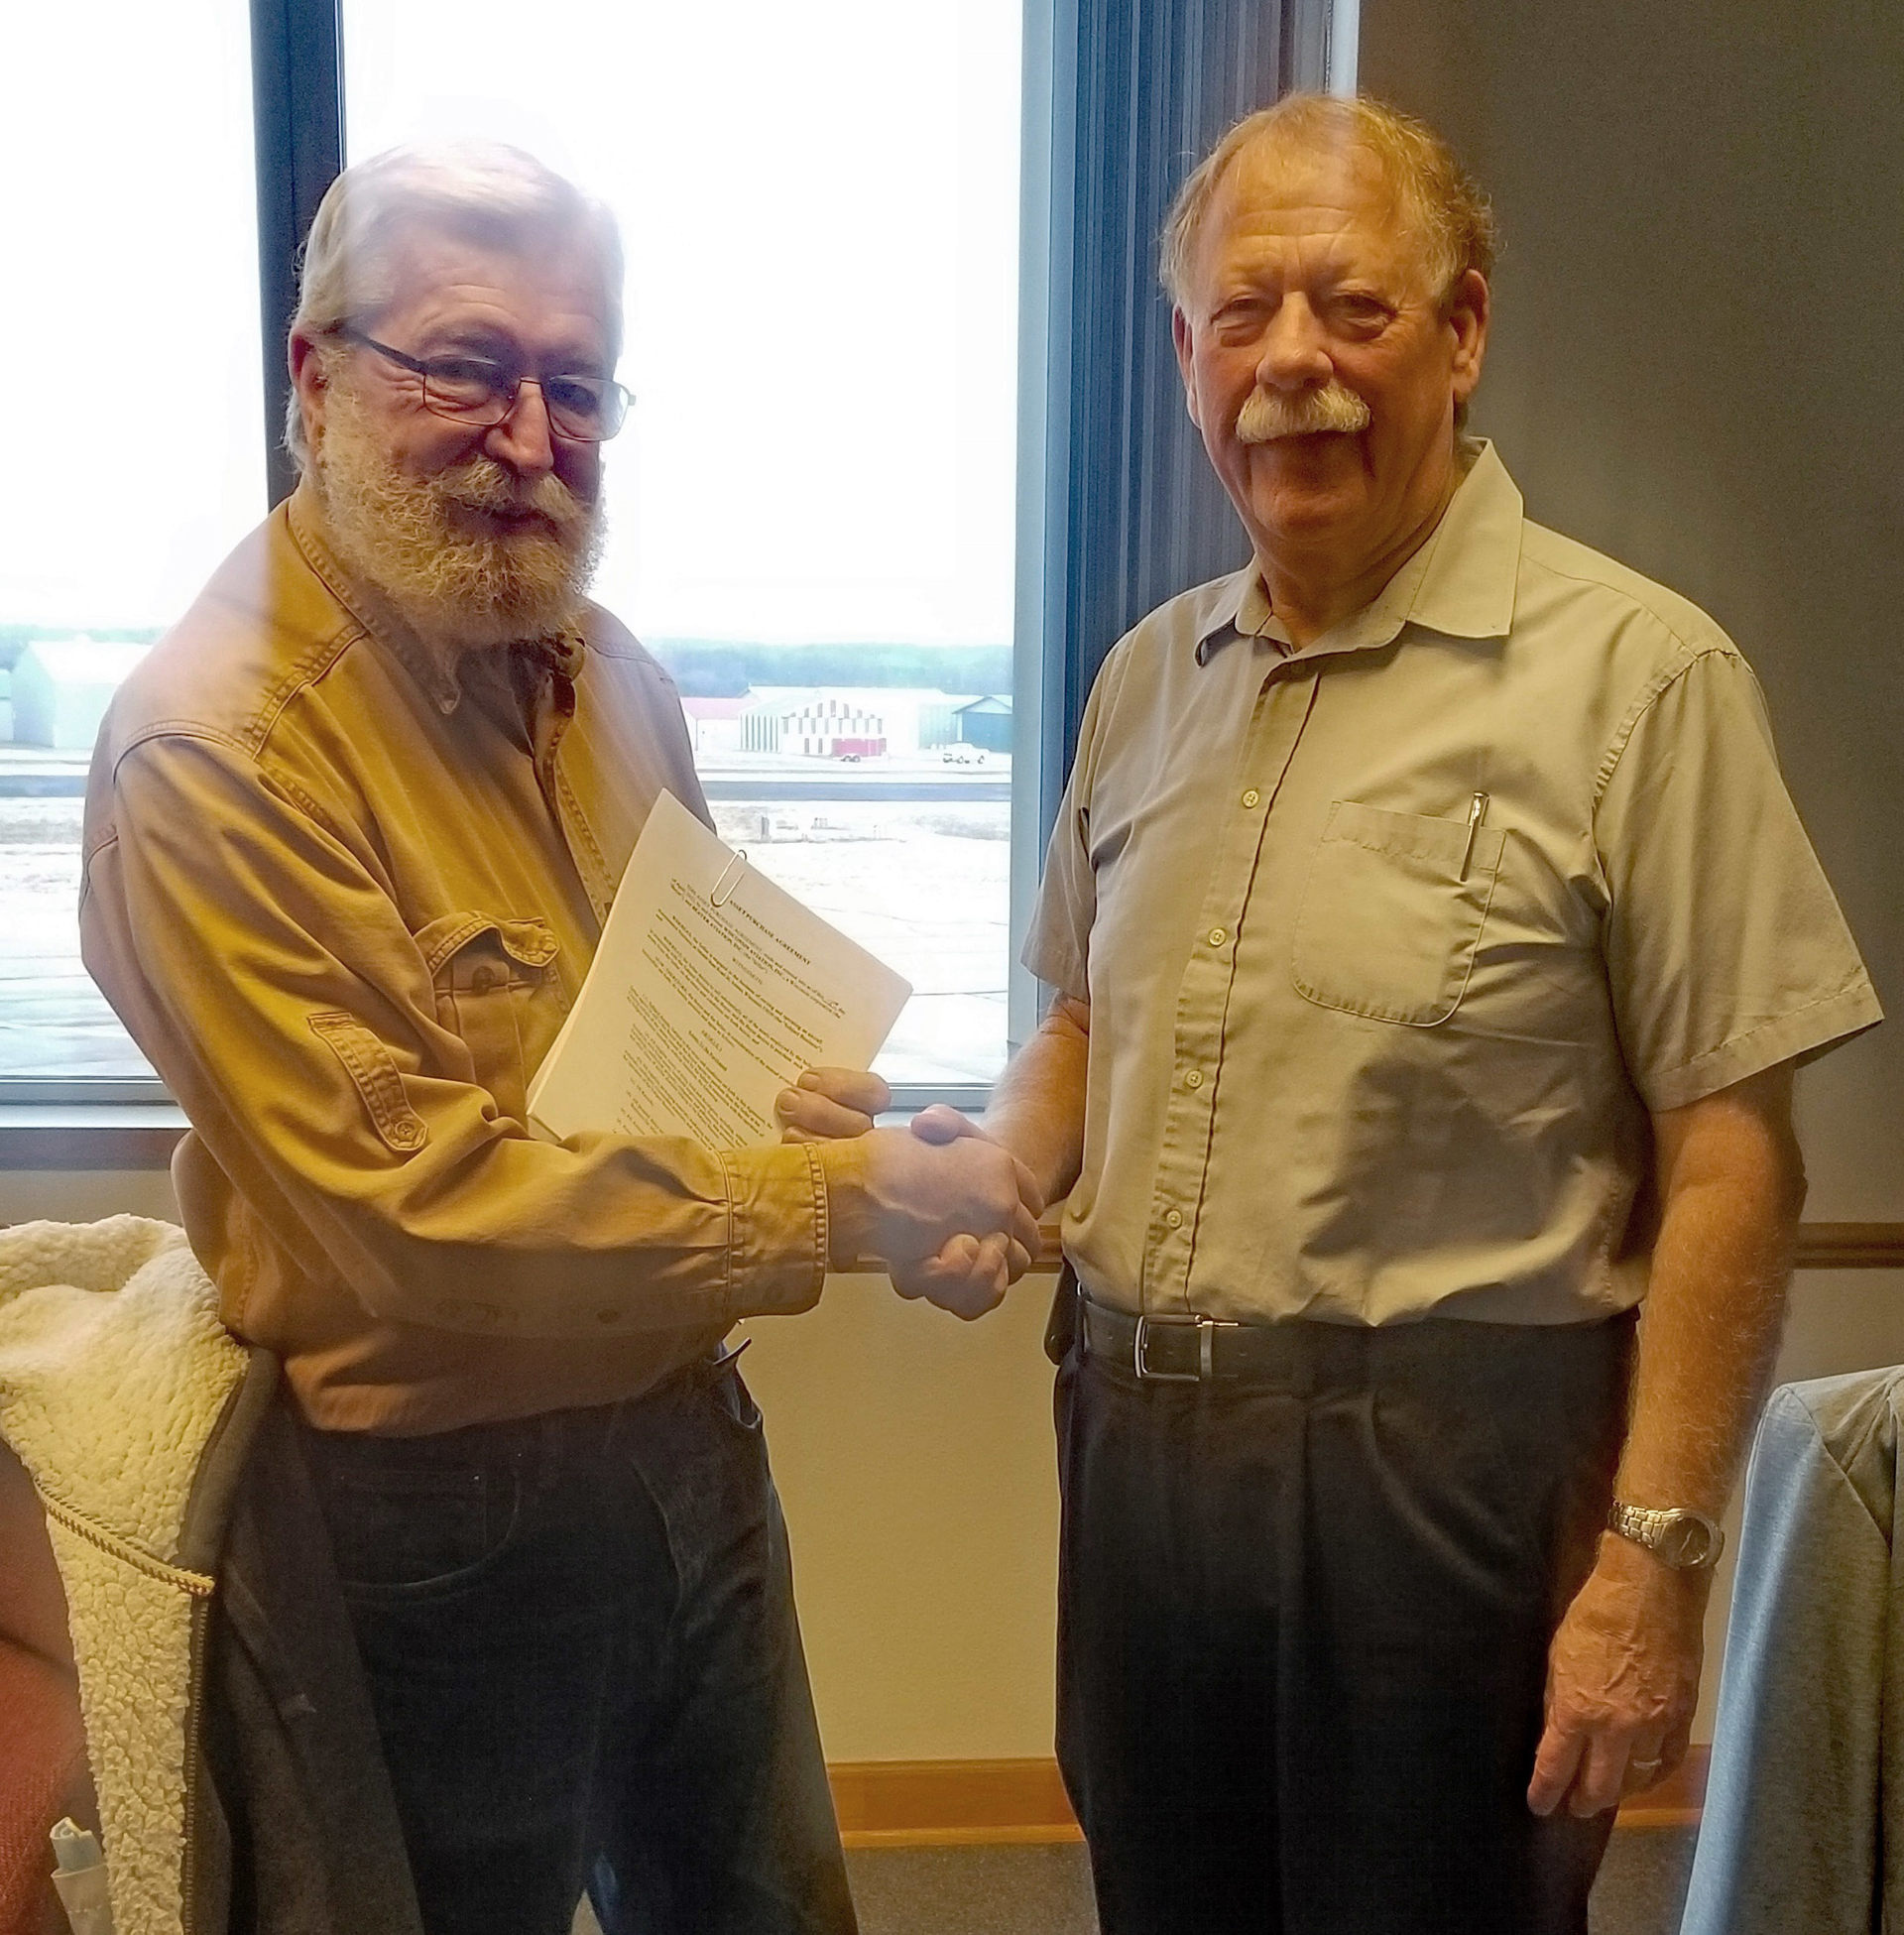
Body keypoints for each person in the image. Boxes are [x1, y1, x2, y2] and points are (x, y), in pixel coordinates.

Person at [910, 92, 1881, 1933]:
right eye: (1248, 312)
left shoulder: (1640, 679)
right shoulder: (1145, 684)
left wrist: (1654, 1564)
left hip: (1452, 1479)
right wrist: (1002, 1166)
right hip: (1135, 1450)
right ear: (1185, 352)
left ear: (1464, 331)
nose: (1297, 366)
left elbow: (1734, 1159)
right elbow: (1081, 1027)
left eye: (1354, 309)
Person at [79, 143, 1041, 1935]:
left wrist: (870, 1143)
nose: (529, 433)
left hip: (689, 1443)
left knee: (764, 1911)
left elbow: (690, 1065)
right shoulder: (214, 750)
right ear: (317, 376)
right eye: (462, 365)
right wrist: (847, 1203)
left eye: (575, 382)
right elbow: (416, 1212)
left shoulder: (611, 674)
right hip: (434, 1522)